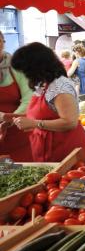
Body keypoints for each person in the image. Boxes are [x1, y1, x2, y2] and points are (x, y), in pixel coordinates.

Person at [11, 43, 85, 161]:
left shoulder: (59, 86)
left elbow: (70, 122)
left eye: (25, 70)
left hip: (64, 148)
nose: (23, 75)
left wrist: (35, 124)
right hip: (47, 145)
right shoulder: (43, 83)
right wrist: (12, 119)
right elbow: (42, 115)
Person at [0, 31, 34, 162]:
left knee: (18, 176)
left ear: (3, 43)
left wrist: (9, 119)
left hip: (16, 131)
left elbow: (29, 98)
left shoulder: (17, 67)